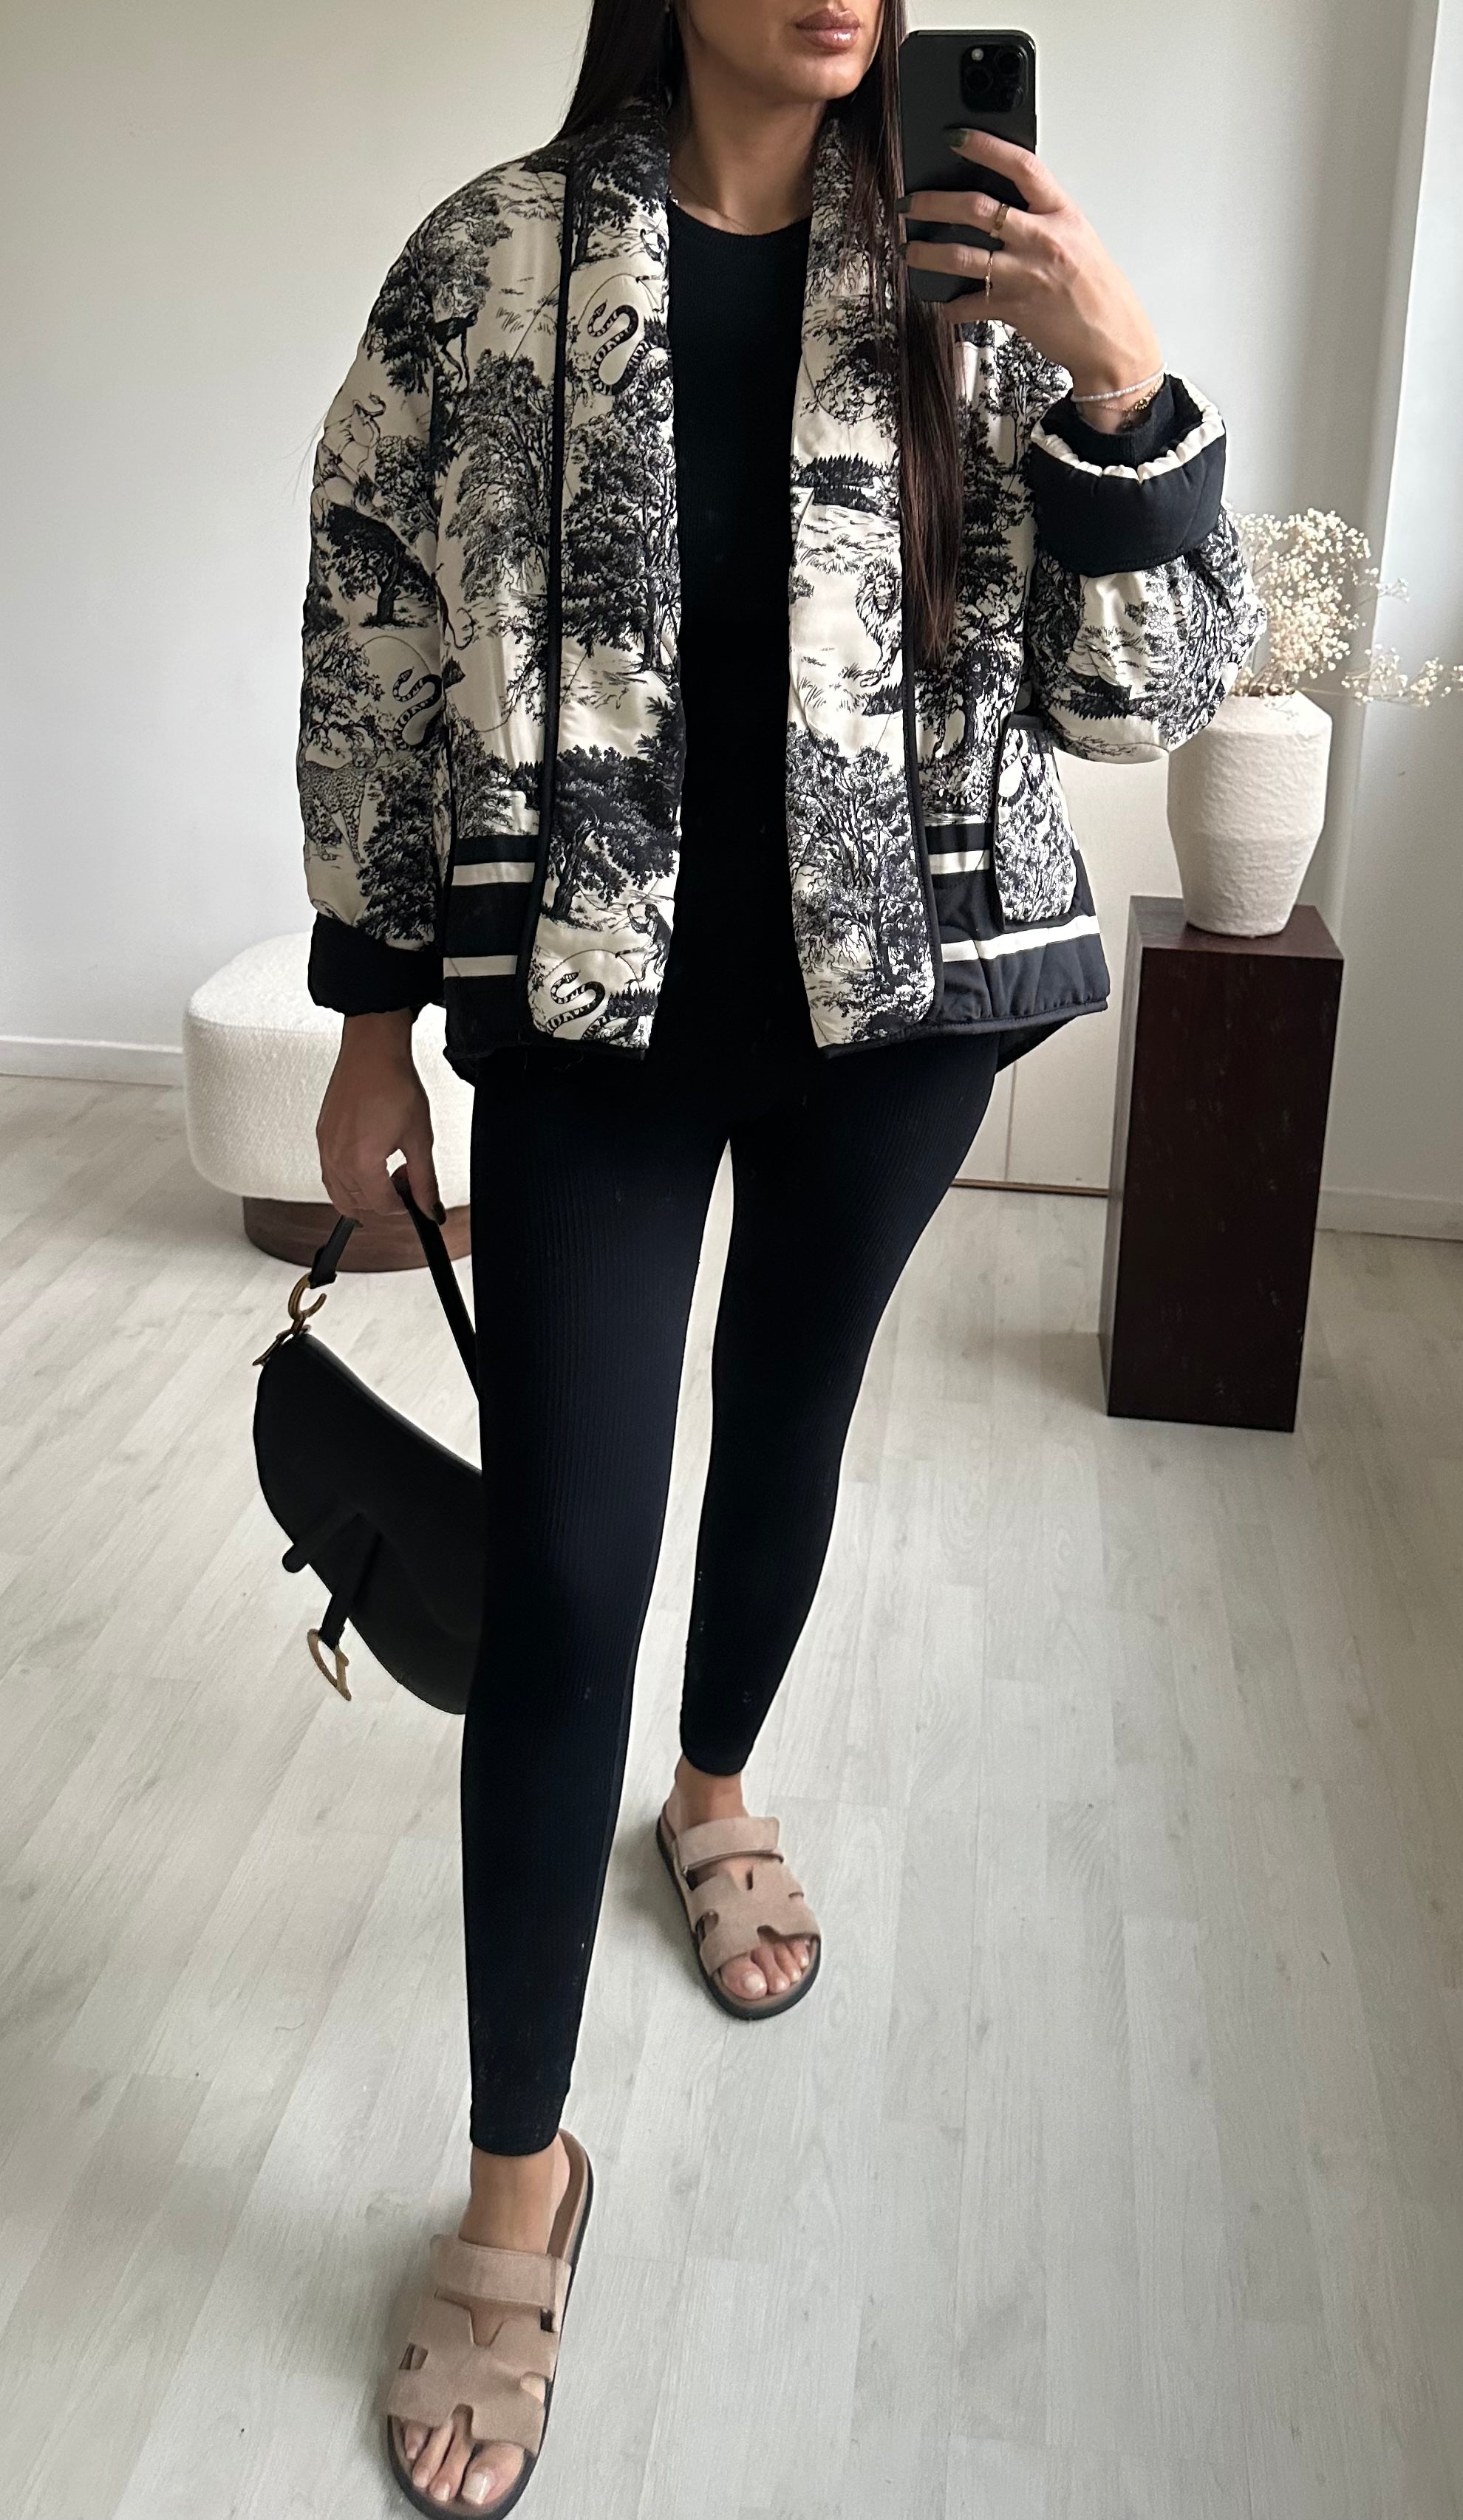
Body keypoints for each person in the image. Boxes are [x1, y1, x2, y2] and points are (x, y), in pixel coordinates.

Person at [299, 1, 1262, 2507]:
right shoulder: (491, 262)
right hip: (588, 1021)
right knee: (561, 1576)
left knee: (791, 1422)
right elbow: (373, 646)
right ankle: (516, 2179)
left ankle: (714, 1786)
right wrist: (367, 1022)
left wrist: (1119, 378)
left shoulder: (971, 271)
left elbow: (1139, 703)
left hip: (905, 1013)